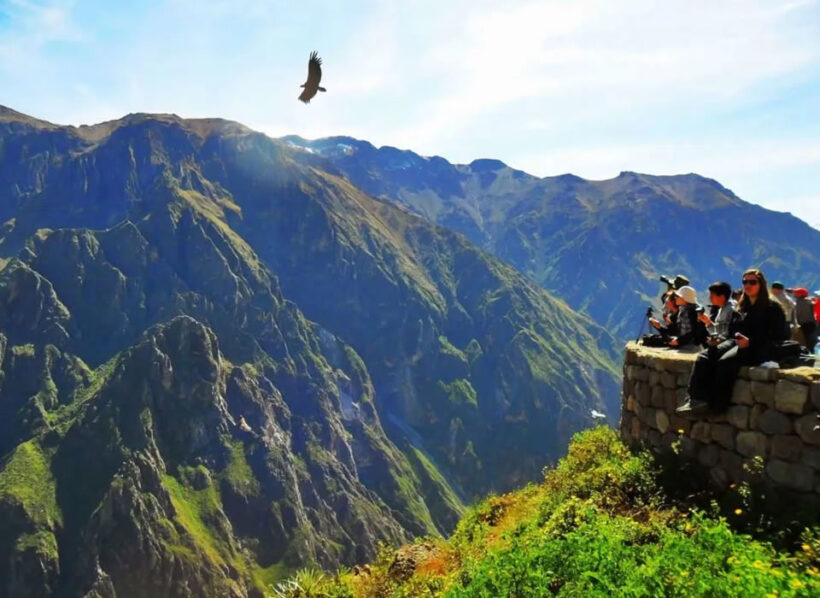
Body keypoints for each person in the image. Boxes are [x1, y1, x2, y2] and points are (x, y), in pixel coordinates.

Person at [677, 269, 787, 413]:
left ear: (761, 284)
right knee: (704, 356)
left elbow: (779, 335)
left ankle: (717, 406)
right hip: (736, 341)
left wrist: (750, 342)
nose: (748, 285)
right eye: (745, 282)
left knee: (725, 362)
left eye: (752, 282)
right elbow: (732, 330)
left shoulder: (772, 308)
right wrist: (718, 340)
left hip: (758, 348)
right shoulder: (742, 306)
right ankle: (695, 400)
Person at [790, 287, 818, 353]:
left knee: (806, 339)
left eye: (796, 293)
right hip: (811, 323)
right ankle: (812, 351)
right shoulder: (810, 302)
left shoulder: (798, 303)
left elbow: (796, 314)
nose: (795, 294)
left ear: (800, 294)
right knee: (811, 339)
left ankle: (808, 352)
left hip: (803, 324)